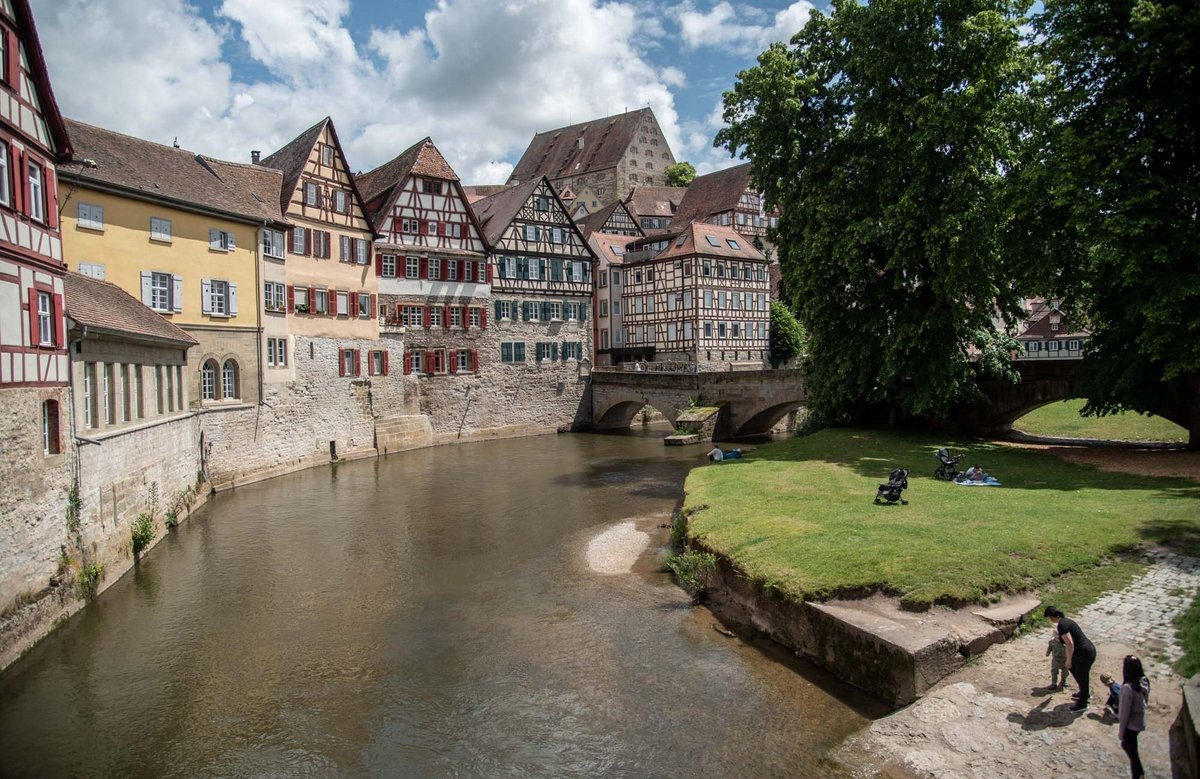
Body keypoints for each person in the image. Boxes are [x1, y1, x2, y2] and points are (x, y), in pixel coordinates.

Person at [1044, 606, 1097, 711]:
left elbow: (1069, 644)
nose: (1050, 619)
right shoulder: (1066, 621)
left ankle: (1082, 703)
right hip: (1084, 652)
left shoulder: (1062, 626)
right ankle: (1084, 693)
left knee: (1082, 676)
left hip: (1084, 654)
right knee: (1075, 670)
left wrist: (1068, 660)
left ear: (1054, 616)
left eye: (1050, 617)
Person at [1118, 655, 1148, 778]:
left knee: (1132, 752)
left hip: (1131, 725)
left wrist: (1121, 731)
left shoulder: (1127, 688)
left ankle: (1138, 774)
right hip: (1140, 720)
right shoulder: (1144, 681)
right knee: (1130, 747)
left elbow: (1124, 713)